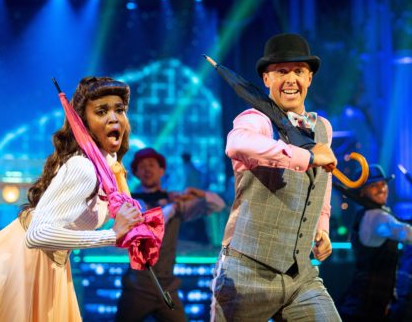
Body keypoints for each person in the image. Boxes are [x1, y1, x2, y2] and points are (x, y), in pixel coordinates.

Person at [0, 77, 144, 321]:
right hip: (22, 264)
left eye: (119, 110)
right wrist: (112, 235)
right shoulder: (84, 167)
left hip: (51, 265)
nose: (114, 118)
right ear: (83, 122)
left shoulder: (109, 170)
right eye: (101, 111)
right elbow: (37, 234)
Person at [210, 33, 341, 321]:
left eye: (298, 71)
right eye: (281, 71)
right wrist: (304, 156)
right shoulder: (255, 119)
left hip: (300, 274)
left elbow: (323, 180)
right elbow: (236, 144)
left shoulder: (323, 129)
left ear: (309, 79)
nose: (291, 79)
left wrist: (322, 227)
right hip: (246, 273)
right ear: (266, 80)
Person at [115, 147, 225, 322]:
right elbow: (143, 230)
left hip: (167, 287)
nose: (147, 169)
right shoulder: (131, 204)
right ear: (135, 173)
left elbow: (217, 205)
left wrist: (200, 193)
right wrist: (171, 208)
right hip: (137, 287)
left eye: (151, 165)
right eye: (142, 166)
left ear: (161, 170)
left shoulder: (175, 201)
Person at [336, 164, 412, 321]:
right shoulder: (378, 217)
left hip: (365, 298)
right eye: (374, 185)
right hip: (368, 304)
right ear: (362, 192)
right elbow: (408, 234)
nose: (381, 189)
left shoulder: (367, 213)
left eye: (383, 184)